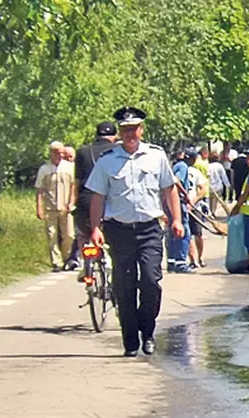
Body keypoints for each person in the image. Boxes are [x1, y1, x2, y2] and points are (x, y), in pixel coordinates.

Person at [85, 107, 183, 357]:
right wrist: (95, 227)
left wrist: (177, 220)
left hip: (150, 228)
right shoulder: (107, 161)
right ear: (120, 132)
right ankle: (130, 339)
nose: (130, 134)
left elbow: (169, 189)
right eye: (125, 129)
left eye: (134, 129)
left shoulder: (156, 156)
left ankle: (147, 331)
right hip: (120, 231)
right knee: (124, 286)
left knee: (151, 281)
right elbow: (98, 195)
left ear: (141, 130)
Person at [71, 122, 118, 269]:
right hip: (110, 200)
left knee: (83, 233)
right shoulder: (118, 151)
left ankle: (86, 265)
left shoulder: (83, 152)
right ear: (115, 137)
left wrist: (73, 202)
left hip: (86, 198)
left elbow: (77, 182)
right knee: (116, 235)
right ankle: (113, 262)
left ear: (96, 135)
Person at [35, 141, 76, 271]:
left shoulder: (69, 167)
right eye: (57, 153)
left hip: (66, 207)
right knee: (52, 235)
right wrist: (39, 207)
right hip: (50, 207)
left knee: (69, 235)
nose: (60, 155)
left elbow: (74, 186)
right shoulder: (44, 169)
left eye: (62, 153)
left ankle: (66, 258)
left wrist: (71, 202)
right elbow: (39, 189)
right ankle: (56, 262)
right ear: (51, 153)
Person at [207, 152, 228, 216]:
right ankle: (213, 211)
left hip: (209, 186)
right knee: (215, 200)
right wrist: (227, 184)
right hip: (218, 186)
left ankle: (210, 211)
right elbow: (223, 175)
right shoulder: (219, 166)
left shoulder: (207, 165)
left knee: (210, 200)